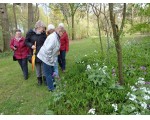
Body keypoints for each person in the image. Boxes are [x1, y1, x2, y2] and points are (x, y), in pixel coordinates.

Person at [37, 27, 63, 91]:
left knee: (52, 72)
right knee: (48, 73)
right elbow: (48, 50)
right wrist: (50, 60)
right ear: (59, 31)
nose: (63, 34)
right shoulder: (53, 38)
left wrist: (53, 59)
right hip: (46, 57)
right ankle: (51, 88)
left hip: (50, 57)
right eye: (62, 32)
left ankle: (54, 84)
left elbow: (54, 49)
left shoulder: (56, 37)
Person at [25, 20, 47, 85]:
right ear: (38, 27)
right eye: (42, 28)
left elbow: (46, 42)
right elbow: (26, 42)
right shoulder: (30, 33)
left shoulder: (43, 34)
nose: (43, 30)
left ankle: (45, 79)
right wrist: (31, 45)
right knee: (37, 67)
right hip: (35, 53)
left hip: (43, 52)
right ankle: (39, 80)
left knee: (43, 66)